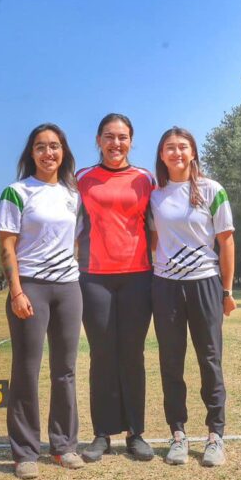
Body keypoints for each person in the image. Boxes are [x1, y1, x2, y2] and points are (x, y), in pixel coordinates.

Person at [0, 123, 83, 480]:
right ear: (30, 153)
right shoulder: (17, 192)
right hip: (30, 287)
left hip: (68, 288)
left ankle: (63, 445)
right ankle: (25, 451)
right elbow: (6, 246)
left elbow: (75, 242)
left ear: (63, 151)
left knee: (65, 372)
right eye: (40, 147)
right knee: (26, 371)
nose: (48, 153)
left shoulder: (72, 194)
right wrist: (17, 291)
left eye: (54, 146)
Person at [148, 127, 236, 467]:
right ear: (161, 155)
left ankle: (215, 435)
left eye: (183, 147)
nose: (177, 153)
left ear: (193, 152)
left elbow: (226, 241)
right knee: (171, 362)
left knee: (210, 360)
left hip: (205, 284)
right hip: (166, 287)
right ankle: (178, 435)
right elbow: (154, 241)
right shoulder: (155, 195)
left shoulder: (212, 190)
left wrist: (227, 290)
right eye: (169, 148)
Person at [76, 113, 156, 462]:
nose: (116, 143)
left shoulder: (145, 179)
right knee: (101, 355)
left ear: (131, 141)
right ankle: (102, 434)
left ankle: (135, 433)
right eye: (109, 137)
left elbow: (155, 228)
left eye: (123, 137)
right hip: (94, 277)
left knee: (133, 355)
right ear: (98, 140)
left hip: (139, 276)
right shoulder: (81, 179)